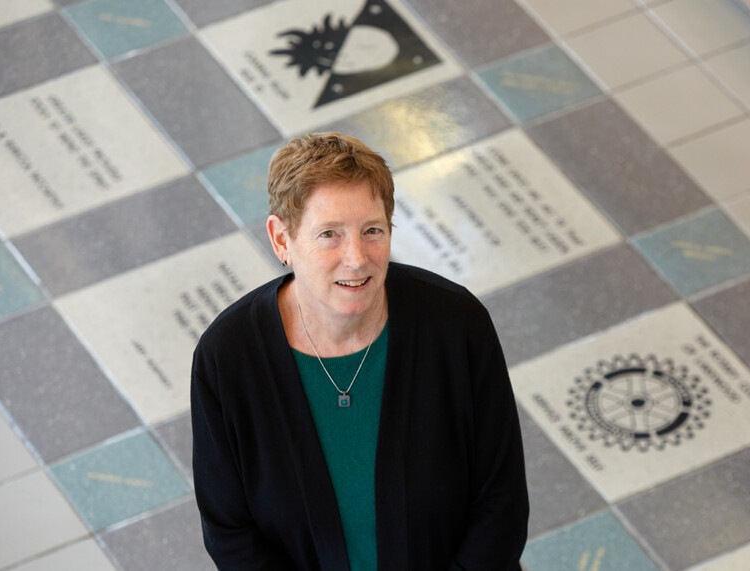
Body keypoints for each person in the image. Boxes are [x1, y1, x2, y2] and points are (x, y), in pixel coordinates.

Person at [191, 132, 529, 570]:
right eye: (329, 234)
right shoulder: (229, 356)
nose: (356, 258)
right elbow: (230, 534)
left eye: (372, 230)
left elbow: (501, 504)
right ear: (281, 240)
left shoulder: (456, 325)